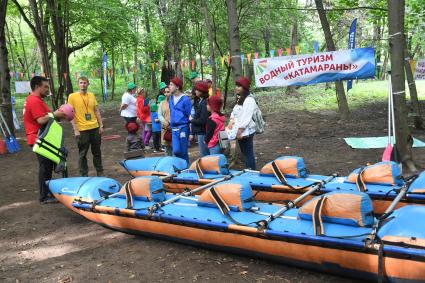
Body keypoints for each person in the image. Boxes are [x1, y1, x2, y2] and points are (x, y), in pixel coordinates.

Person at [23, 76, 66, 203]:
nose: (48, 89)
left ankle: (48, 193)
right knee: (45, 167)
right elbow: (41, 120)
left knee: (47, 166)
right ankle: (44, 196)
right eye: (45, 87)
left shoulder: (37, 100)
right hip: (38, 138)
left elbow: (48, 117)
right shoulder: (34, 100)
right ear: (37, 87)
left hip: (43, 138)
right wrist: (55, 114)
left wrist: (59, 114)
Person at [68, 76, 104, 177]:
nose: (83, 84)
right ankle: (84, 175)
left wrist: (101, 125)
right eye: (81, 83)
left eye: (84, 83)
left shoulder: (91, 95)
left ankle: (100, 172)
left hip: (94, 128)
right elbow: (70, 114)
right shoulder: (72, 96)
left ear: (88, 84)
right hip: (82, 130)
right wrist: (75, 129)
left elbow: (96, 110)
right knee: (82, 153)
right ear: (78, 84)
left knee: (97, 152)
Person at [228, 77, 256, 169]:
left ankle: (252, 172)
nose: (237, 88)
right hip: (239, 130)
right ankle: (249, 171)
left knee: (248, 153)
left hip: (246, 131)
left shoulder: (249, 100)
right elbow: (235, 112)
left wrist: (240, 131)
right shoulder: (240, 98)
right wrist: (231, 120)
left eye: (239, 86)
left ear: (245, 88)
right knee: (245, 153)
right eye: (236, 86)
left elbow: (246, 117)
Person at [169, 77, 192, 164]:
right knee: (176, 150)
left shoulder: (185, 99)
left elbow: (189, 115)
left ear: (177, 87)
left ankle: (186, 169)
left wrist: (191, 132)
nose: (169, 86)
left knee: (183, 151)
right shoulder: (171, 98)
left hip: (183, 127)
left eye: (171, 85)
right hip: (174, 128)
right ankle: (180, 167)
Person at [190, 81, 210, 157]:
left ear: (202, 91)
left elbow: (203, 120)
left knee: (204, 155)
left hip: (203, 132)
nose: (195, 91)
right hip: (201, 132)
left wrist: (191, 120)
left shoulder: (204, 103)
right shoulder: (200, 101)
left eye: (197, 90)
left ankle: (207, 169)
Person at [158, 87, 172, 156]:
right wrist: (164, 122)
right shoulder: (162, 103)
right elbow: (159, 115)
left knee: (175, 149)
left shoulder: (175, 102)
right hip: (165, 129)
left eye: (168, 92)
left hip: (174, 128)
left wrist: (170, 122)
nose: (166, 94)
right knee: (167, 149)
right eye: (165, 92)